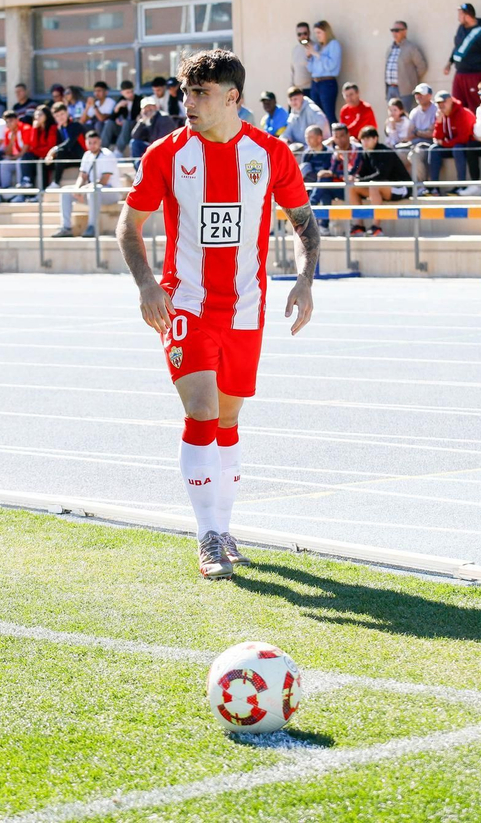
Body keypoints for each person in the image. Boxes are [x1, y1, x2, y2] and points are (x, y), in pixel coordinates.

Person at [115, 48, 318, 581]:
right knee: (202, 412)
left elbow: (303, 222)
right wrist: (146, 284)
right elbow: (128, 225)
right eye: (186, 93)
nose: (189, 103)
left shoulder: (270, 154)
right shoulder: (166, 154)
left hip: (246, 308)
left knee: (228, 420)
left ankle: (224, 528)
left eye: (201, 94)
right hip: (185, 303)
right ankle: (206, 535)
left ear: (233, 98)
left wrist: (304, 281)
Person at [54, 131, 119, 238]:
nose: (92, 145)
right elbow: (82, 175)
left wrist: (84, 189)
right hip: (90, 190)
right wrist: (77, 188)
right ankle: (66, 227)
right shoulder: (87, 155)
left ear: (100, 142)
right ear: (86, 143)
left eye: (95, 142)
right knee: (66, 191)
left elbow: (104, 180)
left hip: (110, 193)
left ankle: (92, 227)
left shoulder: (107, 155)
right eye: (90, 143)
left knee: (94, 190)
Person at [351, 125, 412, 235]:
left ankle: (376, 227)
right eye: (362, 139)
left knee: (374, 185)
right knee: (352, 188)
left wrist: (361, 181)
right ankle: (359, 226)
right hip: (382, 188)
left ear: (375, 139)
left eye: (367, 139)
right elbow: (362, 173)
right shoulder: (366, 153)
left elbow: (381, 175)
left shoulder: (384, 151)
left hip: (401, 188)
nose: (364, 142)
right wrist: (356, 179)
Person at [442, 2, 481, 108]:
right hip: (460, 74)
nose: (458, 18)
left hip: (475, 75)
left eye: (460, 14)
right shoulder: (461, 29)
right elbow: (458, 47)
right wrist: (449, 63)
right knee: (457, 106)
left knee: (475, 107)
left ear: (467, 16)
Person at [426, 88, 475, 194]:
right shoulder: (441, 115)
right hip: (451, 145)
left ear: (450, 101)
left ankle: (461, 185)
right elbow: (437, 138)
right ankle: (434, 187)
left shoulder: (462, 113)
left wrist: (445, 143)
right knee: (434, 149)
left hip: (468, 146)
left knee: (458, 148)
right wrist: (439, 122)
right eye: (438, 103)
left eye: (443, 102)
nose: (441, 106)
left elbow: (463, 138)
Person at [300, 125, 340, 232]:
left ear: (319, 138)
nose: (307, 140)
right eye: (306, 137)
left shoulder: (329, 153)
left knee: (324, 187)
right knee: (319, 191)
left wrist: (322, 175)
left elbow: (331, 173)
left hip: (328, 185)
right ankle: (321, 227)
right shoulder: (307, 154)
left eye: (310, 137)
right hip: (312, 186)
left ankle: (319, 222)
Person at [303, 20, 342, 120]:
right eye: (315, 33)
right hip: (315, 83)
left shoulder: (333, 45)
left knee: (329, 115)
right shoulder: (317, 47)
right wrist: (309, 57)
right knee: (317, 117)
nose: (317, 36)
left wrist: (317, 54)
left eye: (319, 32)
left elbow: (331, 65)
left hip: (327, 83)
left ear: (326, 32)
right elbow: (311, 69)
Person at [383, 20, 429, 100]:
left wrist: (410, 81)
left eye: (397, 30)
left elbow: (422, 67)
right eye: (392, 30)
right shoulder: (390, 49)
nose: (394, 33)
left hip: (405, 91)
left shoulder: (411, 48)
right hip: (390, 89)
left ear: (404, 31)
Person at [290, 22, 314, 96]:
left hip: (311, 89)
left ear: (309, 33)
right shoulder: (295, 49)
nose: (302, 36)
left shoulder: (315, 47)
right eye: (299, 34)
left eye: (305, 33)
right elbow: (292, 70)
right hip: (297, 91)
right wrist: (291, 88)